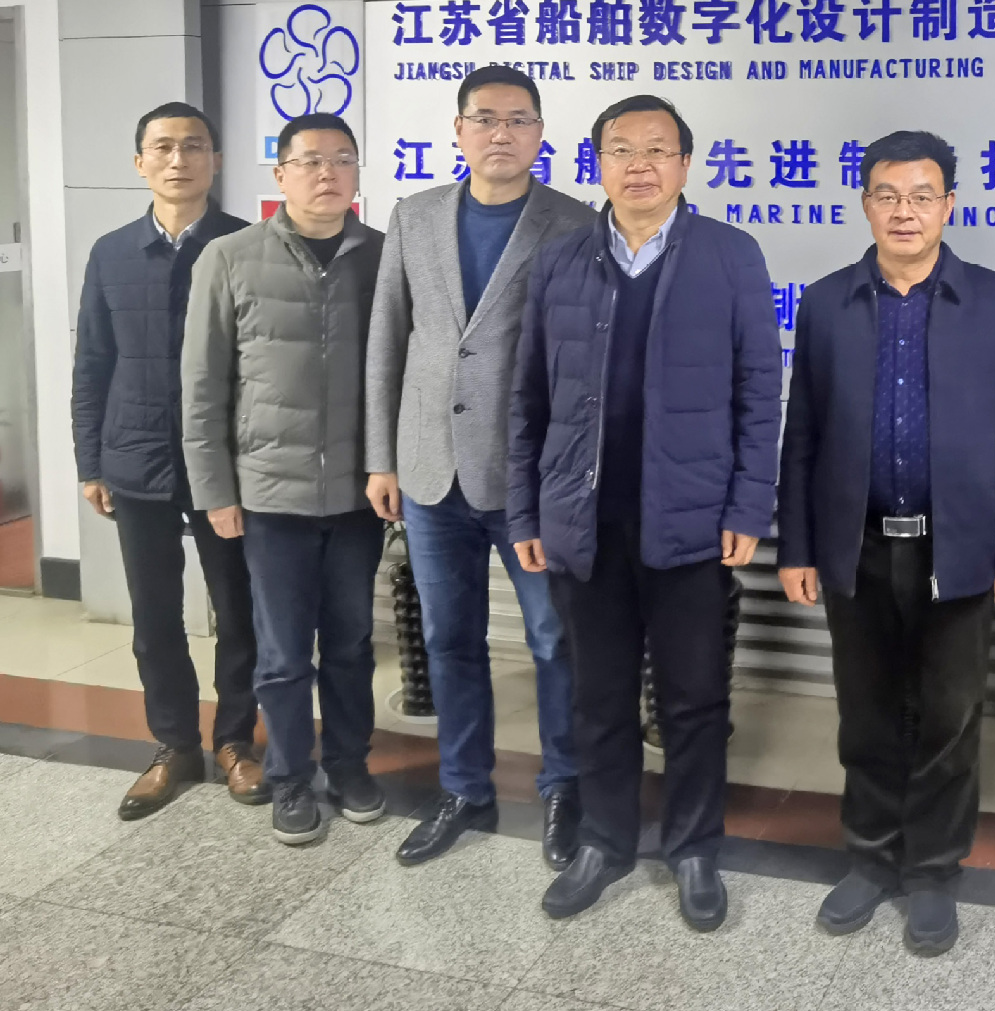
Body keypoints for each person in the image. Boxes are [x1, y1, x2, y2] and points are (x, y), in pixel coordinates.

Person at [510, 94, 781, 930]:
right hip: (583, 522)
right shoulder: (559, 259)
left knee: (694, 698)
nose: (639, 165)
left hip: (692, 521)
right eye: (621, 149)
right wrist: (523, 513)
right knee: (598, 697)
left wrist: (749, 504)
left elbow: (759, 391)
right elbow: (527, 399)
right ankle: (605, 841)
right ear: (596, 163)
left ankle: (694, 846)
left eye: (657, 149)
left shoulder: (730, 254)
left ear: (685, 165)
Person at [778, 130, 995, 958]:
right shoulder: (826, 302)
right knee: (864, 712)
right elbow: (802, 435)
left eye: (922, 195)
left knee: (948, 718)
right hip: (855, 544)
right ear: (865, 203)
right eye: (888, 195)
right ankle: (868, 856)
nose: (905, 211)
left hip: (958, 547)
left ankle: (930, 869)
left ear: (948, 205)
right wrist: (796, 546)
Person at [365, 66, 596, 869]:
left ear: (540, 134)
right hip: (430, 469)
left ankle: (563, 786)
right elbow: (387, 337)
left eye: (519, 119)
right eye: (485, 118)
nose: (502, 132)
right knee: (449, 637)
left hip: (530, 478)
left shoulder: (574, 223)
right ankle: (464, 787)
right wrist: (380, 456)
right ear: (458, 130)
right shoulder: (414, 215)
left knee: (552, 637)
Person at [182, 112, 386, 847]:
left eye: (341, 159)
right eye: (309, 161)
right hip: (268, 494)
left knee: (352, 642)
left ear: (357, 172)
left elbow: (399, 376)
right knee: (282, 650)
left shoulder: (382, 257)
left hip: (358, 496)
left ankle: (350, 765)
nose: (326, 173)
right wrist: (215, 491)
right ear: (280, 174)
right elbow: (202, 385)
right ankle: (291, 777)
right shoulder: (230, 257)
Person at [73, 102, 262, 820]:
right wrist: (90, 461)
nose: (178, 159)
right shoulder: (111, 251)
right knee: (154, 615)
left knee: (238, 609)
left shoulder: (248, 245)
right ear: (139, 162)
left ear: (216, 159)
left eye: (194, 145)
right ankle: (174, 744)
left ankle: (235, 741)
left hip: (227, 463)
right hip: (137, 455)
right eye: (163, 147)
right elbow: (93, 362)